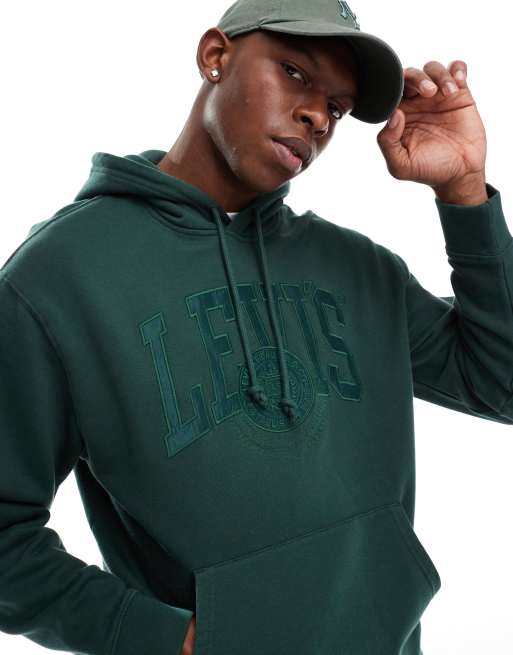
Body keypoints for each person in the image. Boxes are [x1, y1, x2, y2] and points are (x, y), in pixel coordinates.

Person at [1, 1, 512, 654]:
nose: (316, 116)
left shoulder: (358, 268)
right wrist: (169, 638)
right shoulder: (59, 277)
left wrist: (464, 193)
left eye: (337, 107)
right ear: (215, 56)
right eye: (295, 73)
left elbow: (501, 384)